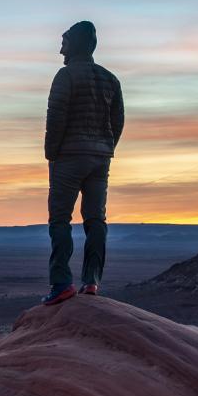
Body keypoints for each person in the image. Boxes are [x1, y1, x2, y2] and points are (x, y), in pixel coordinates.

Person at [43, 20, 123, 305]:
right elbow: (118, 120)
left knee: (60, 219)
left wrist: (52, 153)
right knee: (95, 219)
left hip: (69, 157)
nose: (60, 49)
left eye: (63, 43)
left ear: (74, 44)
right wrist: (106, 147)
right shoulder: (110, 79)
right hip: (100, 158)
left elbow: (56, 117)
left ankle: (62, 283)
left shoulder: (65, 76)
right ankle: (92, 282)